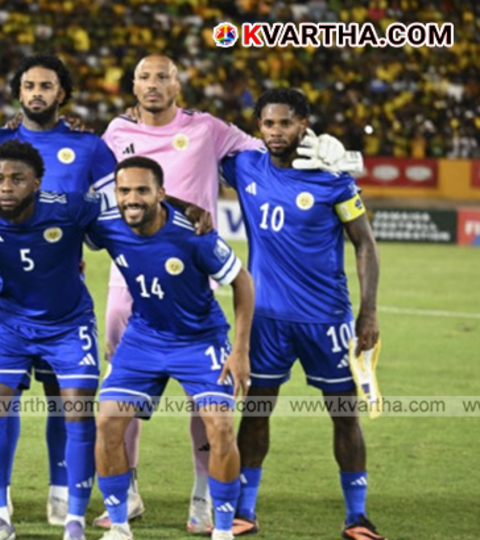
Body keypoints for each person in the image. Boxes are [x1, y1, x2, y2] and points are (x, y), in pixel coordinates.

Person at [96, 54, 364, 532]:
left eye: (163, 76)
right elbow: (99, 185)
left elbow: (265, 150)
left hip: (204, 282)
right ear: (131, 83)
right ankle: (130, 492)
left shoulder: (211, 130)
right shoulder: (113, 133)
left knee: (217, 406)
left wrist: (328, 151)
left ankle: (207, 496)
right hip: (128, 280)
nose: (153, 84)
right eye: (144, 76)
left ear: (180, 83)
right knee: (118, 399)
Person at [0, 53, 117, 526]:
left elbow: (106, 213)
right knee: (0, 394)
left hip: (62, 285)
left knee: (61, 397)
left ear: (61, 93)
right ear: (19, 92)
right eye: (29, 85)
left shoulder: (89, 147)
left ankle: (62, 492)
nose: (37, 93)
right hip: (2, 286)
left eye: (46, 86)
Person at [221, 89, 385, 540]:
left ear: (303, 124)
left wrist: (367, 312)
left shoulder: (334, 180)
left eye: (286, 123)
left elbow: (365, 244)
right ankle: (244, 509)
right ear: (259, 126)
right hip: (266, 320)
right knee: (255, 413)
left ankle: (357, 516)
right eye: (269, 124)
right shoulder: (245, 166)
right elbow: (193, 151)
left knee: (343, 415)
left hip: (326, 320)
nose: (277, 132)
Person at [87, 156, 254, 540]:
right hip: (144, 338)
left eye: (142, 190)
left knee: (222, 429)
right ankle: (119, 524)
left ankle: (223, 529)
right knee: (107, 422)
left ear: (161, 194)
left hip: (201, 341)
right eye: (124, 190)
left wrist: (240, 350)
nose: (132, 199)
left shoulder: (194, 237)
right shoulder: (108, 226)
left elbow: (242, 282)